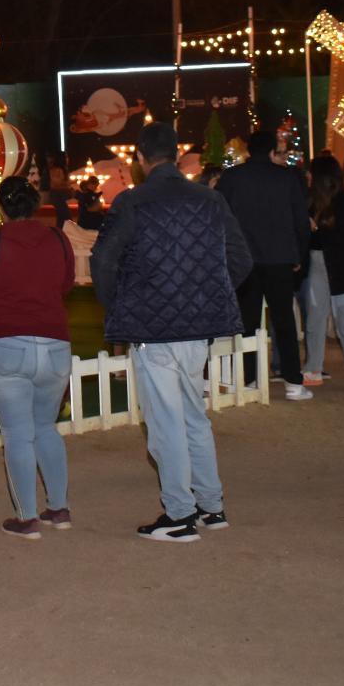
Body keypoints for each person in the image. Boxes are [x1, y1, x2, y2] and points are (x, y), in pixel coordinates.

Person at [92, 122, 253, 542]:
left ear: (141, 160)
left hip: (154, 330)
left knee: (165, 425)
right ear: (177, 158)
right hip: (197, 327)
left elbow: (103, 262)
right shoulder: (211, 200)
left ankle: (180, 515)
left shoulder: (132, 202)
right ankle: (211, 506)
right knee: (194, 418)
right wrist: (207, 294)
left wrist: (121, 306)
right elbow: (240, 259)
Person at [0, 177, 78, 536]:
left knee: (17, 434)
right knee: (46, 427)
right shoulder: (59, 240)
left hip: (6, 345)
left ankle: (26, 516)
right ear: (35, 204)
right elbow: (66, 284)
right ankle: (59, 508)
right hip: (54, 344)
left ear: (1, 207)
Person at [218, 131, 313, 399]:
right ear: (273, 150)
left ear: (249, 149)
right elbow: (301, 223)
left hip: (243, 260)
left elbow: (219, 218)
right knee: (284, 320)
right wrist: (299, 256)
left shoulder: (232, 178)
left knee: (246, 321)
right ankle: (293, 381)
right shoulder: (288, 178)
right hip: (280, 258)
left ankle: (248, 380)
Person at [306, 156, 344, 391]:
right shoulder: (311, 202)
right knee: (315, 318)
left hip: (341, 267)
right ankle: (313, 367)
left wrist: (318, 230)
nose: (308, 178)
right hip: (318, 264)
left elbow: (343, 236)